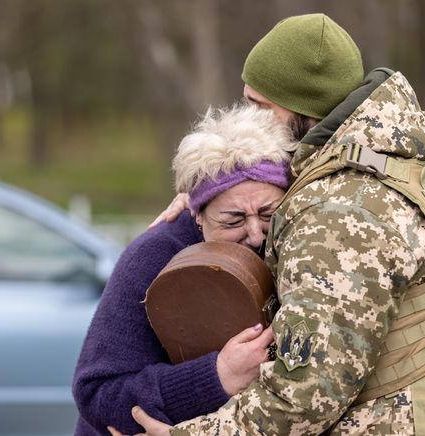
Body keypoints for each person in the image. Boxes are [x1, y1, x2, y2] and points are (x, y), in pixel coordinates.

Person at [131, 13, 425, 435]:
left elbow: (305, 395)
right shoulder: (402, 157)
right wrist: (208, 187)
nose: (248, 120)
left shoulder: (339, 210)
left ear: (301, 106)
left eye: (259, 106)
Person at [72, 104, 299, 435]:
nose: (255, 234)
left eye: (268, 214)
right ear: (196, 213)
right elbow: (97, 393)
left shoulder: (303, 241)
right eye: (233, 219)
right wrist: (217, 377)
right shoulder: (153, 257)